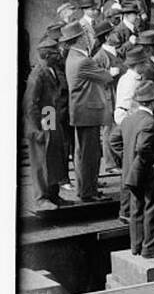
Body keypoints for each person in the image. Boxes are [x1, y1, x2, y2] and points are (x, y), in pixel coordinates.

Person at [108, 80, 154, 257]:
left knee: (136, 209)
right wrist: (152, 161)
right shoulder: (150, 122)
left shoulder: (129, 119)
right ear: (152, 101)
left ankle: (136, 247)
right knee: (152, 208)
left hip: (130, 173)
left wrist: (128, 158)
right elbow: (143, 147)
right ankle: (150, 248)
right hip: (148, 173)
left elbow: (113, 140)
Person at [63, 20, 118, 202]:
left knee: (83, 153)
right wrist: (113, 70)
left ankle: (86, 188)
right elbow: (106, 76)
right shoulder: (83, 61)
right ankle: (88, 192)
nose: (88, 38)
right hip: (88, 112)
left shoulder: (73, 56)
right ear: (79, 39)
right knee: (89, 154)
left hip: (82, 111)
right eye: (85, 35)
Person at [24, 37, 70, 209]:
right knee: (40, 161)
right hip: (40, 121)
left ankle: (53, 194)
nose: (59, 54)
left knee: (53, 157)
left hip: (49, 115)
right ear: (47, 55)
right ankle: (41, 198)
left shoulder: (51, 69)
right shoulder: (38, 74)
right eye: (55, 52)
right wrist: (38, 127)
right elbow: (30, 103)